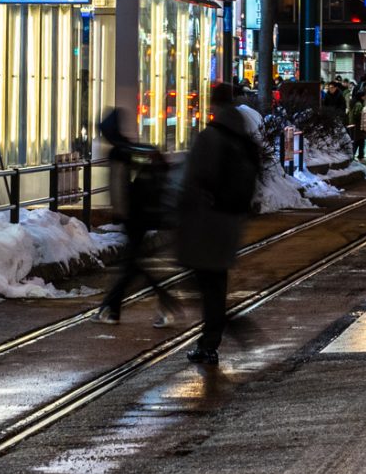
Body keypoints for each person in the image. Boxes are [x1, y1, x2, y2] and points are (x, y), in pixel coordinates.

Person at [175, 83, 266, 365]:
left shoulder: (210, 137)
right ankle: (215, 333)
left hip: (206, 222)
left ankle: (219, 332)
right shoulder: (243, 136)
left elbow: (193, 181)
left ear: (212, 104)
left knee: (201, 281)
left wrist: (181, 215)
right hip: (229, 222)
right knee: (214, 281)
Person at [97, 107, 182, 328]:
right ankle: (113, 308)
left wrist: (119, 213)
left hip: (133, 217)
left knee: (134, 265)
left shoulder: (118, 153)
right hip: (145, 214)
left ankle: (165, 305)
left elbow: (118, 188)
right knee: (134, 264)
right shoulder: (134, 149)